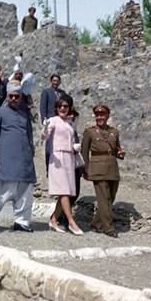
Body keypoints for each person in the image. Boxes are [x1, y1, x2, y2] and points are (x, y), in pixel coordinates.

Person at [0, 84, 36, 232]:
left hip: (25, 158)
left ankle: (21, 222)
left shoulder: (24, 113)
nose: (14, 99)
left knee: (25, 190)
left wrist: (31, 150)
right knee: (4, 191)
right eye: (11, 96)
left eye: (17, 96)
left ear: (21, 97)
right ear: (7, 97)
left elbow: (29, 135)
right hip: (6, 158)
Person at [80, 104, 125, 237]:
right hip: (97, 168)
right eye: (97, 114)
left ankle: (96, 223)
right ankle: (108, 228)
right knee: (104, 199)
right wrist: (85, 169)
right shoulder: (89, 131)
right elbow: (84, 152)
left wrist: (120, 154)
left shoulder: (114, 132)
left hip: (112, 168)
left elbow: (116, 150)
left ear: (107, 116)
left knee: (110, 198)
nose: (100, 117)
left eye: (102, 114)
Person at [43, 95, 84, 235]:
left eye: (65, 106)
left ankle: (53, 219)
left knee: (65, 191)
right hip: (58, 158)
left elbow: (72, 139)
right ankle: (71, 222)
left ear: (69, 108)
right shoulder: (53, 120)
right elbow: (45, 137)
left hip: (69, 157)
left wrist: (75, 147)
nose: (62, 108)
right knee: (64, 191)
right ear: (56, 108)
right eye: (60, 106)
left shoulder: (70, 123)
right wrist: (44, 129)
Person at [39, 74, 66, 173]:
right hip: (50, 120)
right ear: (51, 81)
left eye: (57, 81)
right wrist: (44, 119)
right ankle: (49, 167)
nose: (55, 82)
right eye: (54, 81)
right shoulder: (46, 92)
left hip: (61, 120)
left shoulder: (62, 93)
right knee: (50, 144)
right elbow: (42, 106)